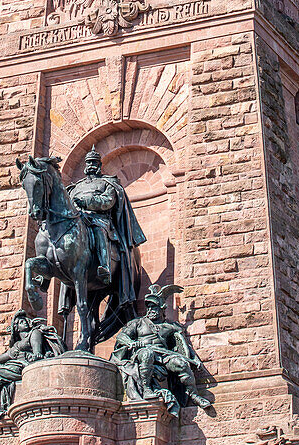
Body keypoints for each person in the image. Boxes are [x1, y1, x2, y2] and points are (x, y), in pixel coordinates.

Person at [110, 284, 210, 416]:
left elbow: (183, 346)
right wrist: (132, 343)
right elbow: (122, 336)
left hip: (164, 355)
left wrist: (194, 359)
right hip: (142, 352)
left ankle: (194, 395)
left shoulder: (170, 326)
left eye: (154, 307)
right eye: (149, 307)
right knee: (147, 354)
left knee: (181, 364)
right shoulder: (138, 323)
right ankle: (146, 389)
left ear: (162, 308)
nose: (150, 309)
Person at [68, 147, 145, 298]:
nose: (90, 166)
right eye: (88, 163)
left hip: (100, 219)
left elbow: (108, 201)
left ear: (99, 165)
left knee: (99, 230)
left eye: (93, 163)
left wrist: (88, 201)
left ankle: (104, 267)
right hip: (79, 220)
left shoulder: (107, 183)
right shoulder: (76, 187)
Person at [0, 310, 65, 422]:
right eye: (21, 322)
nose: (26, 322)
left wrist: (35, 355)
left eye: (25, 321)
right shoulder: (16, 346)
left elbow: (37, 351)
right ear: (16, 328)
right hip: (14, 365)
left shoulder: (34, 333)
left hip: (24, 365)